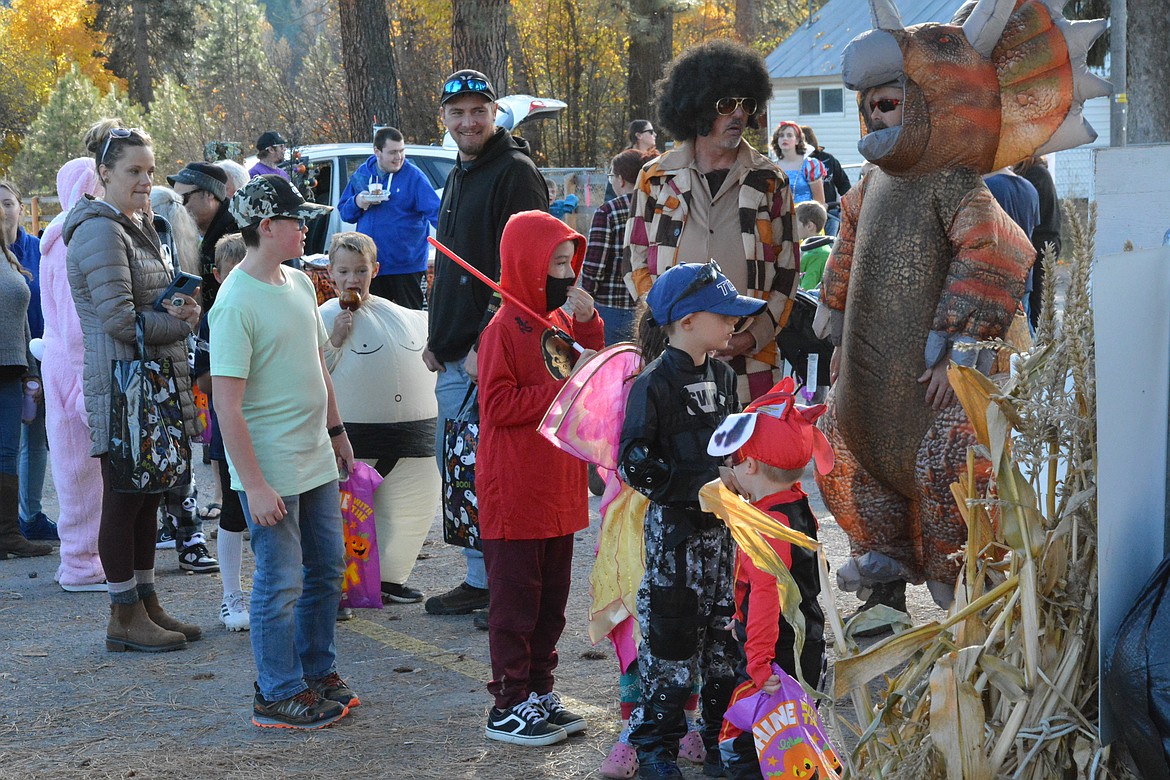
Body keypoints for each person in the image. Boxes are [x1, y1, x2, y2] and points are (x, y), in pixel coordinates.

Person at [210, 174, 358, 729]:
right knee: (280, 578)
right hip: (270, 466)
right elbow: (227, 406)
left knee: (326, 569)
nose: (306, 228)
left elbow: (317, 364)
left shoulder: (298, 283)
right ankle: (276, 691)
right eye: (297, 221)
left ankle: (316, 672)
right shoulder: (234, 303)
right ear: (267, 227)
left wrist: (337, 433)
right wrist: (253, 483)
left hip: (314, 456)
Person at [618, 262, 767, 779]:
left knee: (724, 648)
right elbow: (634, 462)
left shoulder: (725, 376)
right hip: (675, 546)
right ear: (685, 321)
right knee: (671, 648)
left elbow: (733, 445)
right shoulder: (652, 384)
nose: (733, 325)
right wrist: (703, 482)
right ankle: (658, 752)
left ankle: (717, 742)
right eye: (724, 316)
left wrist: (747, 470)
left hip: (722, 543)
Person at [64, 120, 203, 651]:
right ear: (103, 173)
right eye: (133, 171)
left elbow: (141, 307)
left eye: (149, 170)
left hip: (147, 382)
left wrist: (176, 306)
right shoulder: (100, 229)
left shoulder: (133, 222)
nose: (145, 180)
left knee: (148, 497)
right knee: (124, 500)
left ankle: (146, 603)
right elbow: (121, 320)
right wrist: (182, 323)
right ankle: (123, 616)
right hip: (124, 386)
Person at [421, 69, 548, 617]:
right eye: (457, 112)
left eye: (478, 110)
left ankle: (506, 588)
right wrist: (437, 336)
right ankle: (481, 578)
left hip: (486, 357)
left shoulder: (514, 173)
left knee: (492, 475)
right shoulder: (461, 171)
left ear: (495, 112)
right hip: (454, 353)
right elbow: (456, 264)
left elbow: (525, 271)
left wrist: (485, 346)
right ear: (444, 119)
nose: (468, 121)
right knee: (465, 468)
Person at [476, 210, 604, 745]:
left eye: (569, 263)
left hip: (557, 488)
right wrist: (563, 385)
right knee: (516, 604)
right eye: (555, 264)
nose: (566, 275)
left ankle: (539, 692)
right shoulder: (502, 329)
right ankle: (508, 703)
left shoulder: (558, 321)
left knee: (551, 603)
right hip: (516, 492)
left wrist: (591, 321)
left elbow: (588, 360)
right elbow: (498, 405)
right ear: (527, 265)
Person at [625, 40, 800, 407]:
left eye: (746, 105)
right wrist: (668, 328)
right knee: (681, 458)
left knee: (750, 461)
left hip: (752, 361)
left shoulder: (771, 181)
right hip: (671, 362)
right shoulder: (655, 178)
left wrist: (752, 338)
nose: (738, 115)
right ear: (696, 107)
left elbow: (788, 271)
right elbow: (637, 260)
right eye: (725, 105)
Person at [706, 380, 831, 779]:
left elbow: (767, 594)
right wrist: (739, 616)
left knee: (762, 749)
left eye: (734, 460)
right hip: (804, 643)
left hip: (775, 658)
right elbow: (799, 579)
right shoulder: (797, 504)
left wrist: (758, 663)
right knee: (797, 739)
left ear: (751, 465)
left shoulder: (768, 526)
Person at [319, 231, 440, 605]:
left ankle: (390, 576)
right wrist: (334, 340)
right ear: (330, 273)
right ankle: (335, 585)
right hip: (351, 440)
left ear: (376, 270)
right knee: (337, 517)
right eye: (344, 271)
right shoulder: (318, 317)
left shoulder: (404, 314)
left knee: (408, 512)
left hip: (414, 442)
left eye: (361, 270)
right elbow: (307, 371)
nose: (353, 279)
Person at [39, 158, 108, 588]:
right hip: (75, 367)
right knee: (82, 472)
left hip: (61, 363)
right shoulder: (71, 240)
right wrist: (87, 385)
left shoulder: (59, 238)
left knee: (77, 468)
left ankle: (85, 558)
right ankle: (82, 563)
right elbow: (76, 322)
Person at [150, 186, 219, 574]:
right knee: (175, 455)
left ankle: (183, 531)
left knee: (177, 454)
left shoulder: (176, 250)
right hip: (169, 361)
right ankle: (185, 534)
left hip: (178, 360)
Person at [191, 233, 251, 630]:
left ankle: (273, 593)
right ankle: (231, 596)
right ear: (216, 274)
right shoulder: (214, 317)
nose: (240, 280)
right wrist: (240, 372)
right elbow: (205, 380)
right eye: (231, 273)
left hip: (273, 423)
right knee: (233, 510)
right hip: (232, 425)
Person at [1, 181, 56, 543]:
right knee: (10, 444)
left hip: (37, 357)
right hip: (12, 358)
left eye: (8, 203)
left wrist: (39, 369)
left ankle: (28, 516)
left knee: (33, 441)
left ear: (22, 208)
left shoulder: (38, 249)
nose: (3, 211)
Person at [337, 127, 440, 310]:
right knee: (372, 319)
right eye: (392, 152)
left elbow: (437, 214)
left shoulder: (414, 177)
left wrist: (455, 240)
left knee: (412, 320)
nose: (398, 157)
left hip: (407, 267)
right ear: (377, 151)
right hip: (371, 267)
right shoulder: (363, 174)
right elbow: (345, 212)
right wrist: (358, 201)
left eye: (401, 151)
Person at [582, 149, 653, 345]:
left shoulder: (608, 212)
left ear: (621, 179)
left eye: (611, 175)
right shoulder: (658, 206)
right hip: (649, 306)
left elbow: (594, 267)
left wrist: (587, 294)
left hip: (611, 308)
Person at [167, 161, 237, 308]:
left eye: (183, 199)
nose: (179, 208)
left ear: (209, 194)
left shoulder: (237, 231)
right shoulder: (193, 232)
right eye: (174, 202)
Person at [1013, 156, 1061, 331]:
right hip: (1045, 241)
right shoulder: (1038, 173)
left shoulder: (1036, 175)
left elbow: (1030, 213)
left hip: (1042, 244)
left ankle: (1037, 341)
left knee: (1036, 304)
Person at [800, 125, 851, 236]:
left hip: (830, 211)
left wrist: (847, 207)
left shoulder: (828, 159)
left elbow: (844, 185)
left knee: (828, 245)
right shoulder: (795, 164)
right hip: (804, 215)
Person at [770, 121, 826, 205]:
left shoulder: (810, 165)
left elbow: (820, 203)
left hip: (805, 216)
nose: (785, 138)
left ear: (797, 140)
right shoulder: (772, 167)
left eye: (789, 135)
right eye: (781, 136)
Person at [795, 200, 832, 292]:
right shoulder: (819, 249)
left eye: (795, 223)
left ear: (809, 226)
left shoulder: (816, 254)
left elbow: (806, 291)